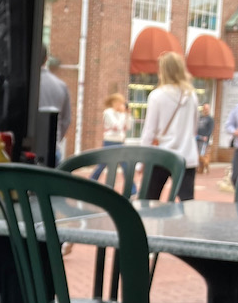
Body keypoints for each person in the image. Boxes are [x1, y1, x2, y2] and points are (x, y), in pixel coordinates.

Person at [138, 50, 199, 201]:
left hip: (161, 156)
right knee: (187, 202)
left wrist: (141, 161)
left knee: (149, 199)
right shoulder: (191, 95)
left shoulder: (157, 96)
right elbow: (194, 128)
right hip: (187, 156)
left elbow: (149, 131)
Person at [38, 45, 72, 162]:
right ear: (46, 58)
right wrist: (55, 139)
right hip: (52, 149)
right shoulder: (60, 86)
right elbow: (66, 120)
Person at [91, 92, 133, 180]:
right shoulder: (108, 112)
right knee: (103, 163)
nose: (122, 105)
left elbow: (128, 126)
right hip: (110, 141)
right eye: (120, 102)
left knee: (125, 164)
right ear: (114, 102)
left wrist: (128, 115)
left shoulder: (122, 114)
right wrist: (123, 115)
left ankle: (132, 188)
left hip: (120, 141)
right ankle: (92, 179)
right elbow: (116, 126)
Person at [196, 103, 214, 173]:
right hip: (197, 138)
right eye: (204, 108)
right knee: (196, 153)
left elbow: (210, 129)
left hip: (204, 140)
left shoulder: (210, 119)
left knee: (201, 154)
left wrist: (206, 136)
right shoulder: (200, 118)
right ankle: (196, 168)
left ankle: (202, 168)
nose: (205, 110)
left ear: (209, 110)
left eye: (207, 109)